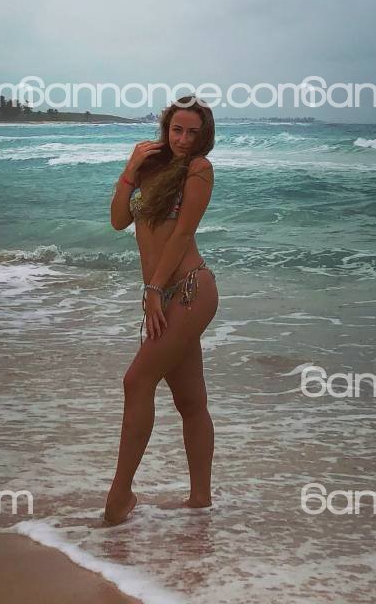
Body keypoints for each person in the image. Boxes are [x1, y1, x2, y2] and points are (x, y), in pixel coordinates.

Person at [103, 99, 219, 525]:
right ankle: (200, 502)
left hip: (189, 290)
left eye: (192, 132)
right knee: (190, 400)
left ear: (203, 135)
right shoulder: (150, 167)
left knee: (136, 380)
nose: (183, 139)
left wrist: (153, 289)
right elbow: (119, 220)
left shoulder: (199, 170)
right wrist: (130, 168)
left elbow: (183, 233)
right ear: (166, 129)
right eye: (177, 130)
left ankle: (119, 497)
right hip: (163, 293)